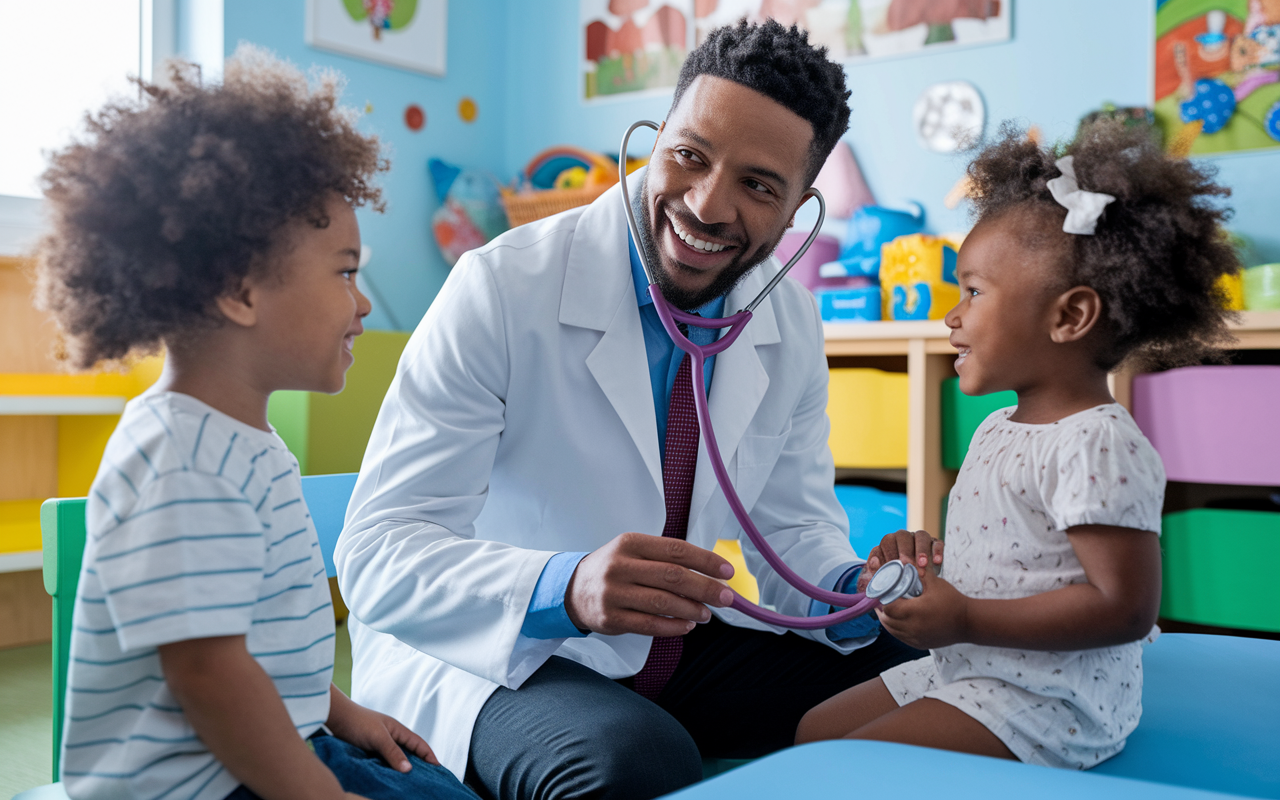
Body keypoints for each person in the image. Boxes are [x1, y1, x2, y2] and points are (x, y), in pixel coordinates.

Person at [337, 20, 931, 800]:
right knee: (632, 760)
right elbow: (377, 553)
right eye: (689, 156)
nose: (706, 205)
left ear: (797, 211)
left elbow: (793, 529)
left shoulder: (789, 321)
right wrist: (567, 586)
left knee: (934, 670)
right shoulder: (503, 287)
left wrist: (861, 593)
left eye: (757, 185)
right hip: (499, 654)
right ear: (654, 140)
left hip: (674, 645)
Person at [36, 47, 479, 800]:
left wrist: (341, 712)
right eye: (345, 270)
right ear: (241, 290)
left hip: (270, 748)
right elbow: (208, 671)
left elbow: (257, 649)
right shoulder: (180, 453)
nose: (364, 301)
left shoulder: (241, 440)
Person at [796, 120, 1241, 769]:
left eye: (972, 292)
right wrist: (926, 567)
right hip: (974, 664)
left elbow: (1124, 607)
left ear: (1069, 317)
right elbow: (1011, 559)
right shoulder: (997, 427)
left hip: (1053, 695)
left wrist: (967, 618)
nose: (952, 315)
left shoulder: (1097, 444)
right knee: (814, 732)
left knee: (852, 763)